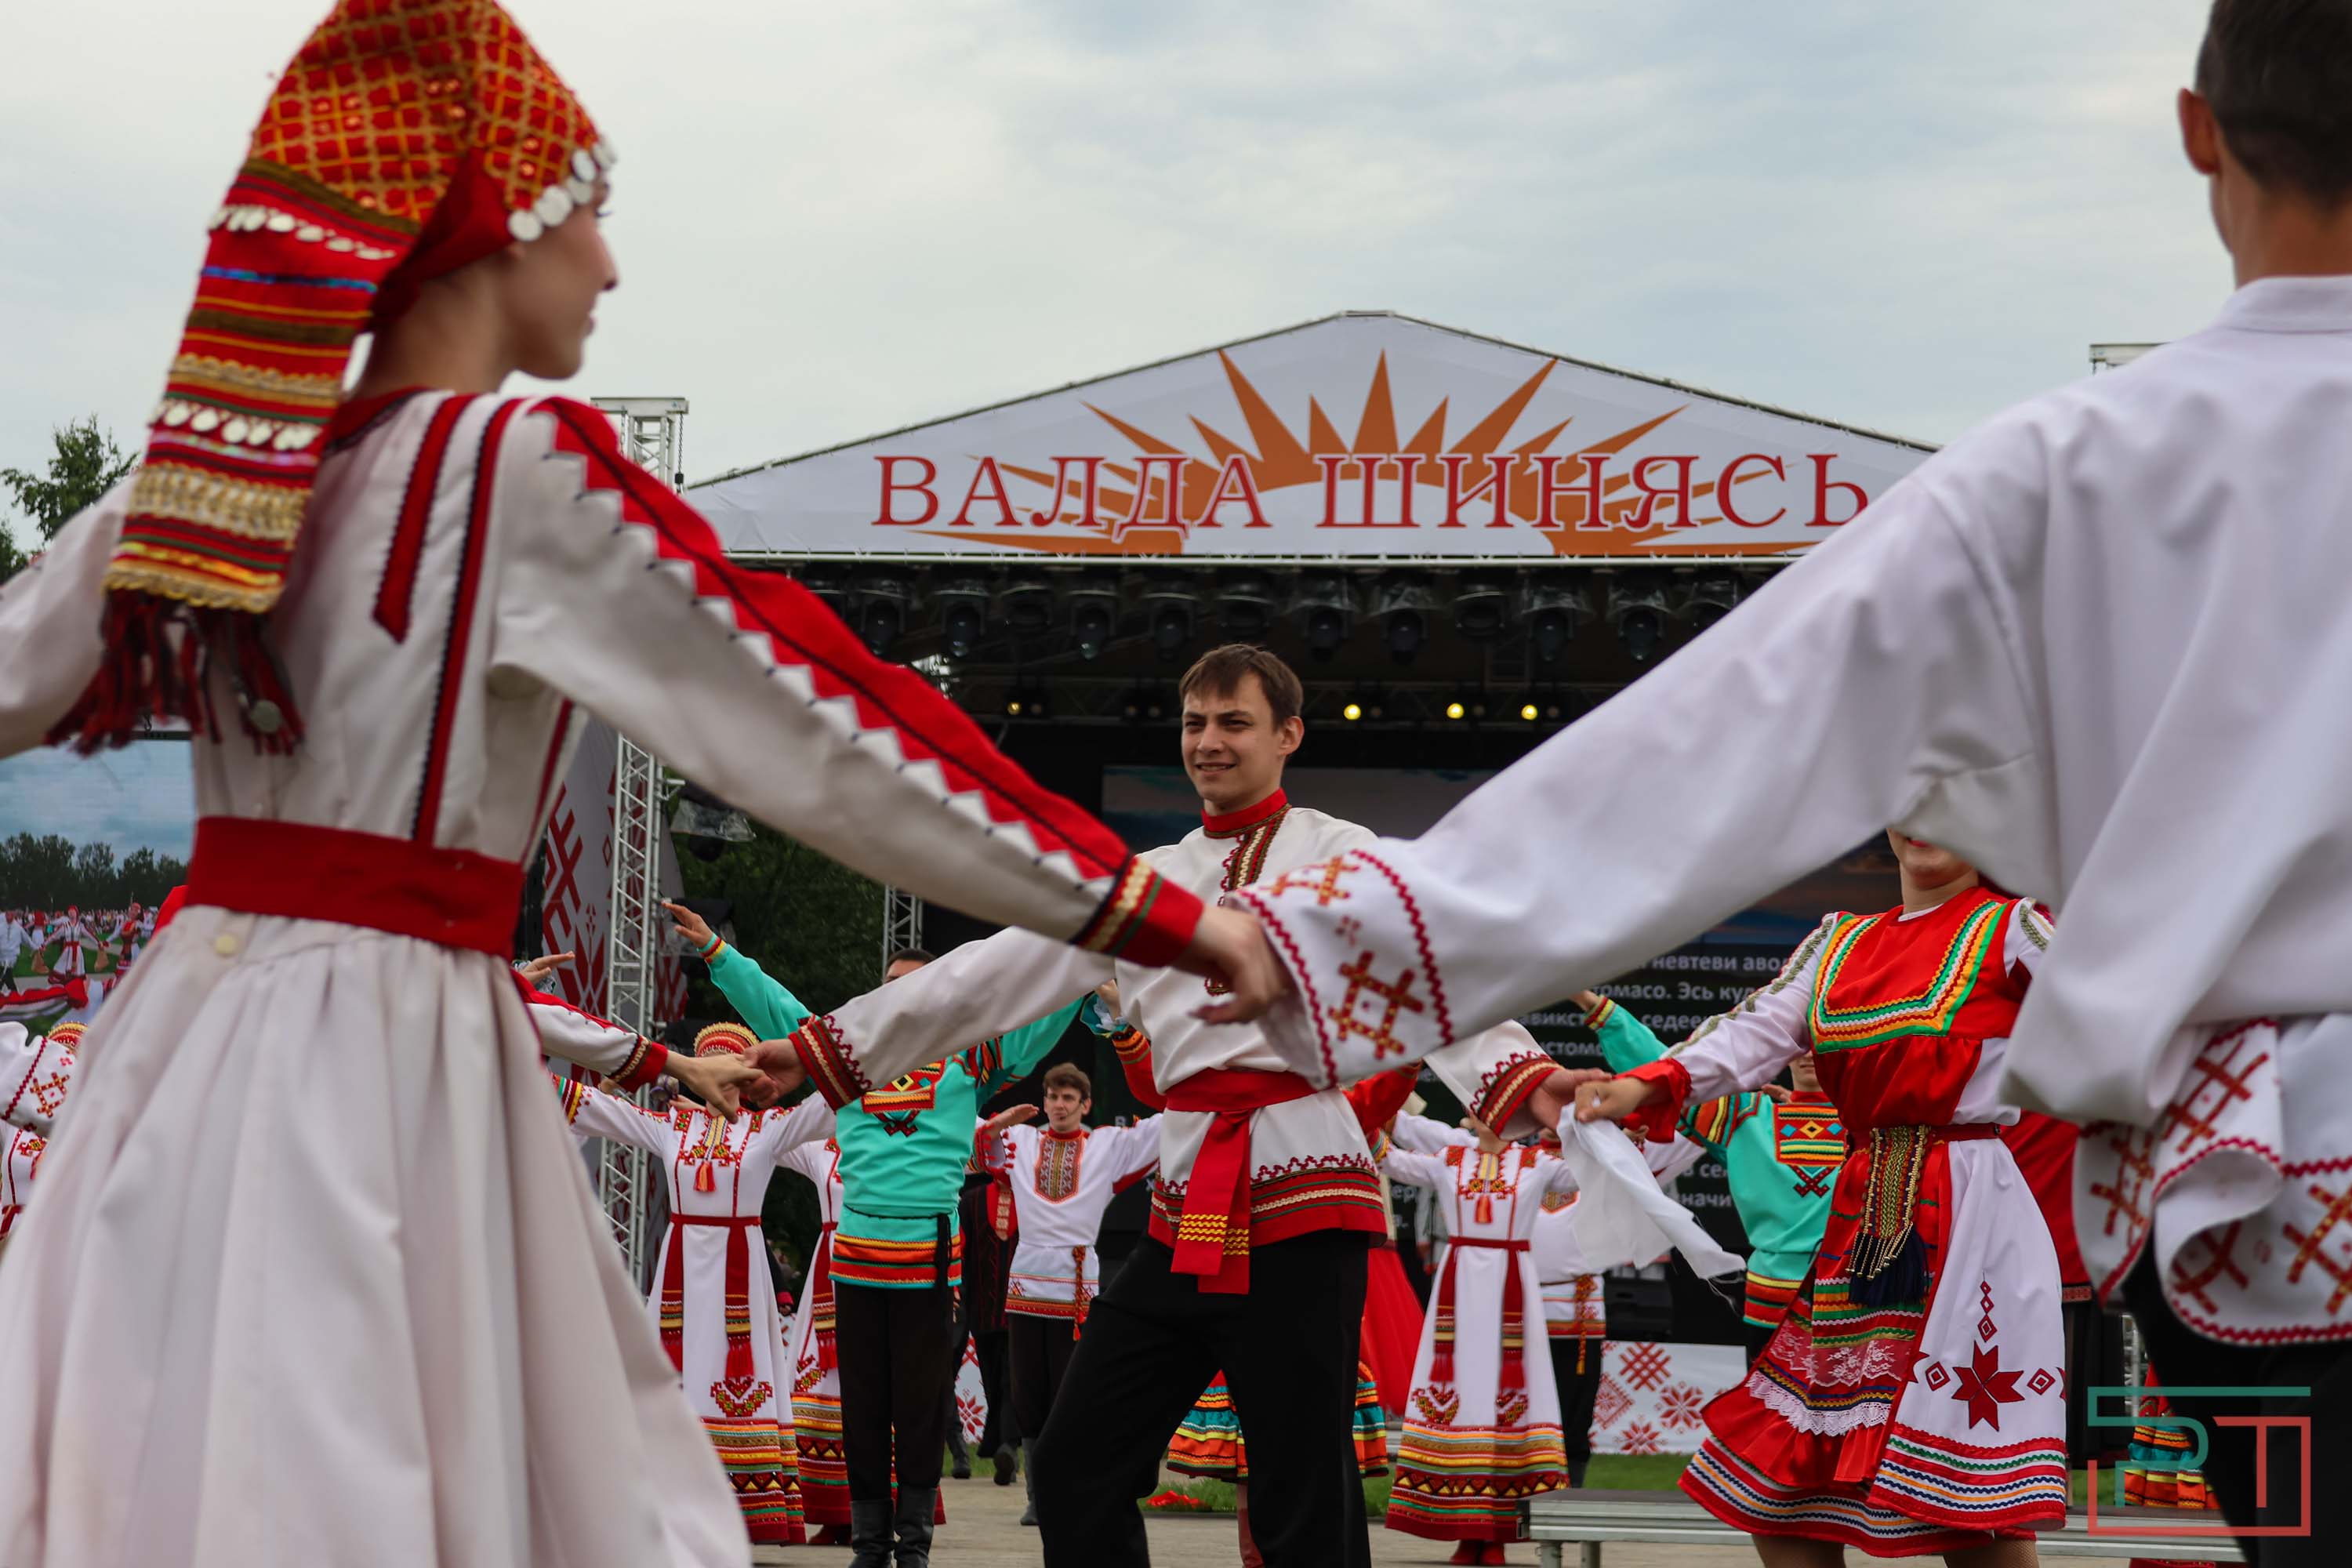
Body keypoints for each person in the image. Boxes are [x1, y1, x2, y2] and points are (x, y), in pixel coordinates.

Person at [0, 4, 1254, 1560]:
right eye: (583, 208)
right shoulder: (512, 469)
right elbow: (820, 722)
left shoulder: (211, 479)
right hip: (383, 1048)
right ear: (486, 223)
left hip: (176, 1050)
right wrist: (1152, 907)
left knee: (172, 1467)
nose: (606, 261)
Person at [1217, 9, 2352, 1559]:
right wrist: (1641, 1084)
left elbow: (1700, 748)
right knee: (1810, 1493)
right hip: (2067, 1203)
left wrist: (1312, 935)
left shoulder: (2061, 475)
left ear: (2197, 130)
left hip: (2217, 1207)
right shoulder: (1858, 941)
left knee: (2234, 1519)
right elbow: (1750, 1036)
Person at [757, 644, 1591, 1568]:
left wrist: (1523, 1075)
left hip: (1306, 1197)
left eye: (1235, 721)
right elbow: (988, 971)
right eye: (1195, 722)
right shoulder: (1147, 880)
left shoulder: (1341, 853)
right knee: (1074, 1461)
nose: (1209, 740)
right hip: (1186, 1207)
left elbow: (1434, 966)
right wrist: (821, 1047)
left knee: (1300, 1489)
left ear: (1288, 734)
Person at [677, 909, 1087, 1568]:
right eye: (891, 985)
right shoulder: (848, 1055)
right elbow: (780, 1009)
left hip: (928, 1255)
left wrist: (1089, 965)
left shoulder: (971, 1054)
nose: (901, 994)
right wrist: (717, 952)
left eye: (914, 984)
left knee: (922, 1404)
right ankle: (870, 1544)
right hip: (857, 1256)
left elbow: (1039, 1016)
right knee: (863, 1404)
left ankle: (914, 1544)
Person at [549, 1022, 837, 1548]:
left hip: (741, 1280)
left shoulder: (767, 1128)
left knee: (735, 1375)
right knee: (676, 1376)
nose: (719, 1079)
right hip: (679, 1278)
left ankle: (743, 1511)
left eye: (730, 1069)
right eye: (710, 1067)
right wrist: (516, 1053)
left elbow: (831, 1104)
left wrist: (854, 1052)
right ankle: (667, 1505)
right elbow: (594, 1108)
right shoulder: (671, 1128)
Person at [1576, 989, 1842, 1360]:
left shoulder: (1871, 1122)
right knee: (1770, 1399)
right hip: (1772, 1297)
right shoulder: (1748, 1117)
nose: (1809, 1053)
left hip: (1852, 1295)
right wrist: (1594, 1005)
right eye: (1802, 1043)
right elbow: (1666, 1071)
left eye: (1820, 1042)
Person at [0, 1022, 84, 1264]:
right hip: (9, 1238)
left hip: (59, 1243)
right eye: (59, 1052)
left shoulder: (90, 1123)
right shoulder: (17, 1121)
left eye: (72, 1056)